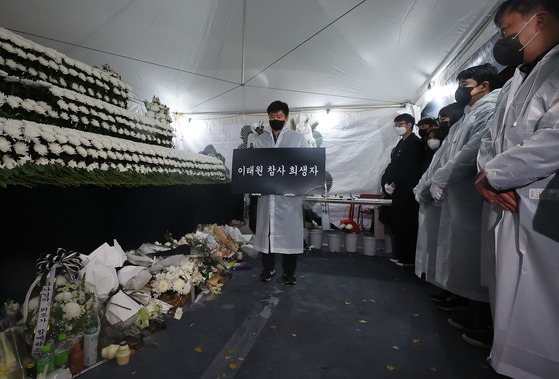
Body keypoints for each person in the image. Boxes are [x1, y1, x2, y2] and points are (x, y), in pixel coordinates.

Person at [476, 1, 559, 377]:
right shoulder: (515, 81)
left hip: (543, 208)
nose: (502, 39)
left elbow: (554, 139)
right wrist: (488, 176)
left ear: (538, 20)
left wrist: (495, 175)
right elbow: (488, 143)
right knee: (508, 298)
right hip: (506, 202)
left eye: (508, 30)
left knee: (542, 309)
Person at [428, 64, 501, 348]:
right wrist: (436, 179)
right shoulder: (470, 113)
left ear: (484, 85)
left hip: (474, 196)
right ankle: (467, 302)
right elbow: (448, 155)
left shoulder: (488, 109)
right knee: (461, 253)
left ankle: (483, 316)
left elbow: (470, 153)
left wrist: (441, 177)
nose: (461, 89)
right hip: (458, 195)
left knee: (477, 258)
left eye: (465, 83)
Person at [254, 100, 308, 285]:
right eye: (271, 117)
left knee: (289, 234)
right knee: (267, 235)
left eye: (278, 116)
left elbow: (304, 165)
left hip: (289, 197)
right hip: (267, 196)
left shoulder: (297, 139)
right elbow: (255, 166)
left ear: (286, 118)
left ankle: (289, 272)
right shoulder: (260, 139)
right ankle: (267, 269)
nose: (275, 119)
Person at [413, 105, 462, 297]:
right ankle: (443, 285)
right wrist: (421, 189)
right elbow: (431, 170)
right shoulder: (447, 142)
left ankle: (454, 291)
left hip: (452, 198)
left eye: (445, 120)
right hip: (433, 196)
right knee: (437, 245)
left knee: (451, 248)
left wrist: (434, 184)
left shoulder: (454, 140)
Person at [383, 113, 425, 267]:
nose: (397, 128)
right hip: (398, 191)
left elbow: (410, 168)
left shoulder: (415, 143)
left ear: (409, 124)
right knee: (399, 223)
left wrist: (395, 183)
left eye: (400, 124)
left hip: (408, 191)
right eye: (396, 125)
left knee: (408, 225)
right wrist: (388, 181)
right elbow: (394, 165)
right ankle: (401, 254)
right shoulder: (401, 143)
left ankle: (408, 258)